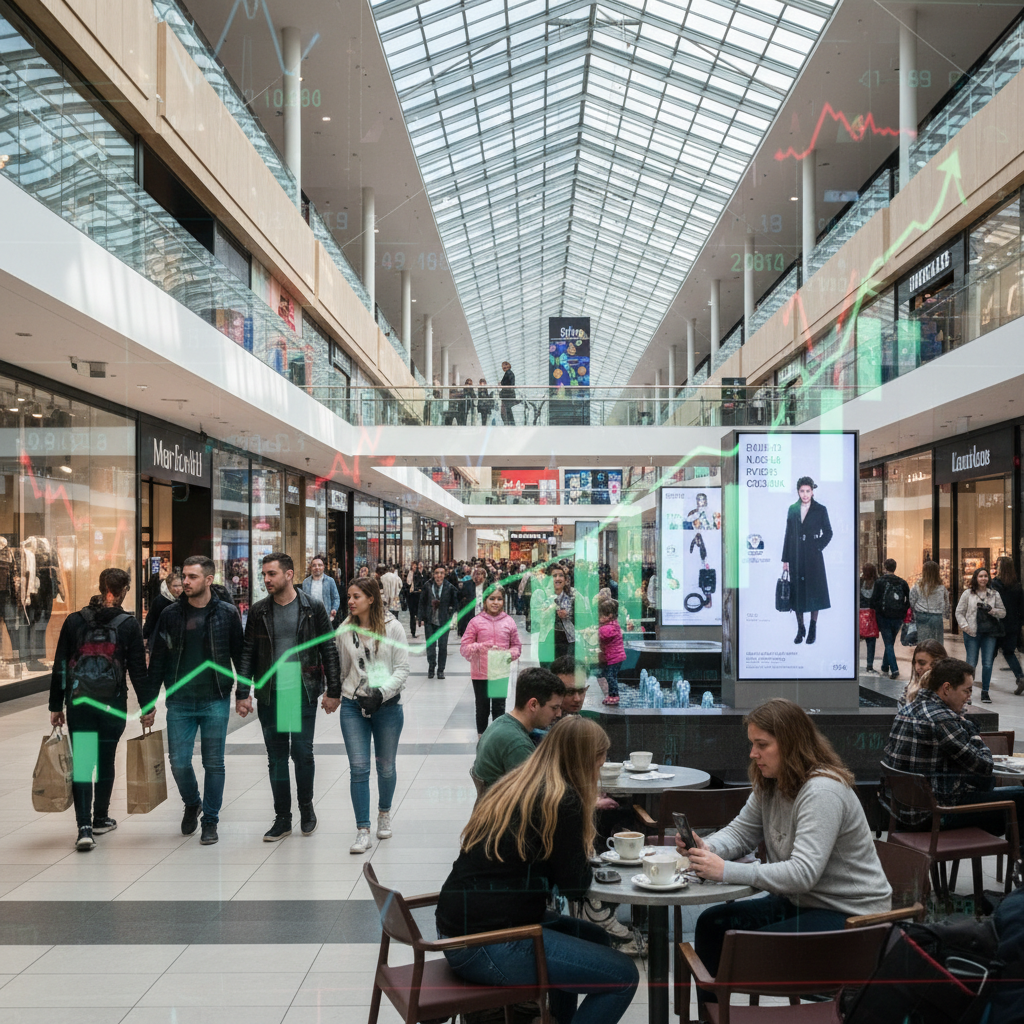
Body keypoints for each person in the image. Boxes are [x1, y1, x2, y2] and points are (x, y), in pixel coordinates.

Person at [437, 716, 640, 1024]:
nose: (600, 771)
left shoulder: (518, 782)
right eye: (599, 764)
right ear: (583, 762)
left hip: (458, 929)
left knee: (594, 939)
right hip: (487, 942)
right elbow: (574, 886)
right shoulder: (562, 800)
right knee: (623, 977)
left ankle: (556, 1018)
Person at [682, 698, 891, 989]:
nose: (753, 753)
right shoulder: (772, 780)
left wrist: (726, 871)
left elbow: (803, 873)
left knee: (744, 949)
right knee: (712, 924)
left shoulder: (822, 791)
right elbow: (741, 833)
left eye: (762, 745)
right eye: (752, 744)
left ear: (791, 744)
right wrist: (707, 848)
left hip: (852, 916)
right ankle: (715, 1016)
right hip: (803, 903)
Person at [49, 568, 157, 851]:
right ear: (124, 592)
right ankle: (101, 817)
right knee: (106, 760)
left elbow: (61, 665)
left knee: (84, 762)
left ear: (100, 587)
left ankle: (84, 827)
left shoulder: (75, 621)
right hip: (112, 705)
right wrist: (147, 706)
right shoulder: (128, 624)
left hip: (79, 703)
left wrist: (55, 706)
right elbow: (137, 670)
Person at [237, 553, 342, 841]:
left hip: (301, 687)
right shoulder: (259, 611)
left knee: (302, 752)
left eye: (272, 574)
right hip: (272, 690)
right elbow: (248, 653)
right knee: (276, 757)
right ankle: (283, 817)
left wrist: (334, 691)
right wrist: (242, 693)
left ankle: (306, 808)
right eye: (264, 575)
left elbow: (328, 649)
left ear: (289, 575)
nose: (266, 579)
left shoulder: (312, 607)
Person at [148, 556, 245, 846]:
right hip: (179, 700)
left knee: (214, 763)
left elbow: (240, 656)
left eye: (192, 577)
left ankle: (210, 820)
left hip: (215, 697)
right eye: (184, 577)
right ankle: (192, 802)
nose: (185, 583)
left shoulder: (227, 613)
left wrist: (242, 694)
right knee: (178, 762)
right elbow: (158, 660)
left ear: (208, 580)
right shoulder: (170, 614)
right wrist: (148, 702)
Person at [884, 657, 1024, 832]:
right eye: (966, 691)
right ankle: (1018, 855)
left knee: (987, 786)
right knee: (1019, 797)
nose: (969, 697)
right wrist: (973, 733)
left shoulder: (906, 711)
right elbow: (985, 765)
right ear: (947, 688)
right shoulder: (942, 720)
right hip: (935, 815)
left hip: (902, 813)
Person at [336, 575, 409, 853]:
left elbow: (402, 669)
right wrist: (339, 694)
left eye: (356, 597)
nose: (351, 602)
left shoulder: (394, 629)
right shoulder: (343, 629)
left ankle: (384, 812)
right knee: (358, 769)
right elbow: (343, 669)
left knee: (386, 767)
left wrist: (381, 694)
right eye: (349, 597)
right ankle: (362, 829)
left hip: (387, 706)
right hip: (354, 706)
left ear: (371, 598)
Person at [473, 667, 564, 789]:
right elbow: (538, 794)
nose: (559, 714)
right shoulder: (517, 744)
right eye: (554, 708)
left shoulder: (501, 723)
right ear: (533, 705)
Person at [461, 584, 522, 738]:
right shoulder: (475, 622)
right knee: (482, 708)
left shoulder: (509, 622)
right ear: (485, 600)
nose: (495, 602)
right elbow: (464, 647)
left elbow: (517, 646)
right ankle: (481, 740)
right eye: (492, 599)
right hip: (480, 673)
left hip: (500, 672)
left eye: (499, 599)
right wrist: (481, 646)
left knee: (499, 708)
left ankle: (496, 739)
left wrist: (509, 654)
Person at [781, 476, 832, 645]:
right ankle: (800, 627)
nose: (805, 494)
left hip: (813, 558)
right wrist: (785, 559)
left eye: (808, 491)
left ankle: (812, 628)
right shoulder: (792, 509)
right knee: (797, 593)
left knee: (814, 593)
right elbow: (788, 534)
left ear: (812, 491)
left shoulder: (820, 509)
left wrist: (816, 547)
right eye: (802, 491)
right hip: (795, 556)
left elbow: (828, 532)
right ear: (798, 491)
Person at [955, 566, 1006, 703]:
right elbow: (959, 612)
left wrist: (992, 610)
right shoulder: (967, 594)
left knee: (988, 663)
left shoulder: (994, 594)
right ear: (975, 578)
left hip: (989, 633)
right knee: (971, 663)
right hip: (972, 633)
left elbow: (1003, 612)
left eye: (985, 576)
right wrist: (965, 627)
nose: (983, 578)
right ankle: (967, 693)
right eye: (980, 576)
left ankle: (985, 691)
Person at [870, 558, 911, 680]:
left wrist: (878, 611)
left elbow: (874, 600)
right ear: (895, 568)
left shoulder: (880, 581)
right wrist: (903, 611)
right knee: (891, 641)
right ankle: (884, 666)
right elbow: (909, 600)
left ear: (884, 567)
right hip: (898, 616)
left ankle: (894, 669)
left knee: (888, 642)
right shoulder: (902, 582)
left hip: (883, 616)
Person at [418, 563, 459, 679]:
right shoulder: (427, 586)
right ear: (433, 574)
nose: (439, 576)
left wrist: (454, 621)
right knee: (430, 646)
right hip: (430, 620)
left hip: (444, 621)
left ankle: (441, 669)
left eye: (441, 573)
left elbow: (455, 605)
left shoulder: (450, 587)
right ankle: (431, 666)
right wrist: (420, 618)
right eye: (436, 573)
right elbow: (422, 602)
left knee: (442, 646)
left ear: (445, 574)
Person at [991, 555, 1024, 695]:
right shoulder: (1017, 587)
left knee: (990, 653)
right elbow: (1022, 609)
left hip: (997, 624)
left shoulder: (994, 585)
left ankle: (984, 680)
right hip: (1012, 626)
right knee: (1009, 653)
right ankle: (1020, 677)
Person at [898, 639, 948, 707]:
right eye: (915, 663)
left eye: (922, 663)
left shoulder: (950, 690)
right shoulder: (910, 688)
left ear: (938, 663)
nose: (917, 667)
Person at [909, 560, 949, 645]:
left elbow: (911, 600)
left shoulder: (917, 586)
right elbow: (946, 603)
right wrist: (945, 615)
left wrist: (913, 613)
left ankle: (923, 657)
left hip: (921, 615)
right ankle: (936, 657)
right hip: (936, 616)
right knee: (937, 643)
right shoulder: (941, 588)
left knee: (923, 643)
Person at [597, 598, 626, 706]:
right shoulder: (611, 624)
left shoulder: (610, 627)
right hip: (613, 657)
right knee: (609, 676)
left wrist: (594, 631)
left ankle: (614, 696)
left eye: (601, 616)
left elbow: (603, 634)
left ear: (609, 616)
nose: (599, 618)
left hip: (615, 657)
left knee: (610, 676)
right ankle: (611, 694)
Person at [142, 572, 182, 647]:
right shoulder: (160, 601)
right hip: (161, 640)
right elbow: (151, 620)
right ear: (168, 587)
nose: (178, 589)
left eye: (180, 586)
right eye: (175, 586)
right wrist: (145, 637)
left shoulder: (184, 600)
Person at [300, 554, 341, 622]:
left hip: (326, 617)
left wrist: (334, 609)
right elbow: (303, 600)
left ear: (323, 567)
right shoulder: (305, 582)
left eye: (320, 565)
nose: (317, 567)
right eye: (314, 565)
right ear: (311, 568)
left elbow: (336, 598)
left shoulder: (330, 581)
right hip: (310, 618)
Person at [457, 564, 489, 637]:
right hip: (470, 614)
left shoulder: (487, 586)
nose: (478, 576)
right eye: (477, 574)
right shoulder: (468, 584)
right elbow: (460, 597)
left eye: (481, 574)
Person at [859, 563, 879, 674]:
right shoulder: (877, 582)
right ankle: (869, 665)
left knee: (856, 640)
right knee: (871, 642)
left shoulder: (859, 581)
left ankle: (854, 662)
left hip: (859, 613)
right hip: (872, 614)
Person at [406, 560, 426, 638]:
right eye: (413, 566)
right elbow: (408, 583)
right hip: (411, 596)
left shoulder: (420, 574)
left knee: (418, 612)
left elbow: (422, 583)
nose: (415, 567)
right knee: (412, 614)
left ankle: (419, 622)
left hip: (418, 595)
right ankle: (413, 631)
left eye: (416, 566)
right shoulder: (410, 573)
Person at [499, 360, 517, 425]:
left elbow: (508, 384)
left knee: (505, 411)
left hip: (507, 395)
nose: (503, 368)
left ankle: (509, 424)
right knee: (507, 411)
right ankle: (510, 424)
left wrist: (501, 384)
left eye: (504, 366)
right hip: (509, 394)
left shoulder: (508, 373)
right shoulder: (510, 373)